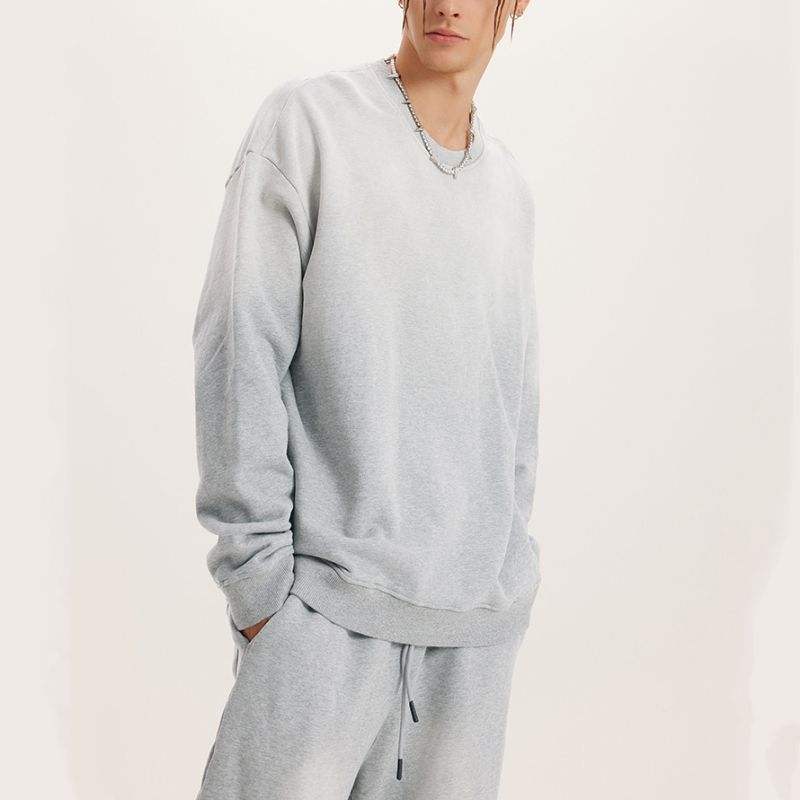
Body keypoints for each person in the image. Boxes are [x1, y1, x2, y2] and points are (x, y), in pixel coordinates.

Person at [191, 1, 540, 797]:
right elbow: (238, 345)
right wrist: (258, 587)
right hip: (320, 620)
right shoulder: (308, 125)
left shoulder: (509, 190)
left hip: (471, 647)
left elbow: (515, 409)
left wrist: (507, 578)